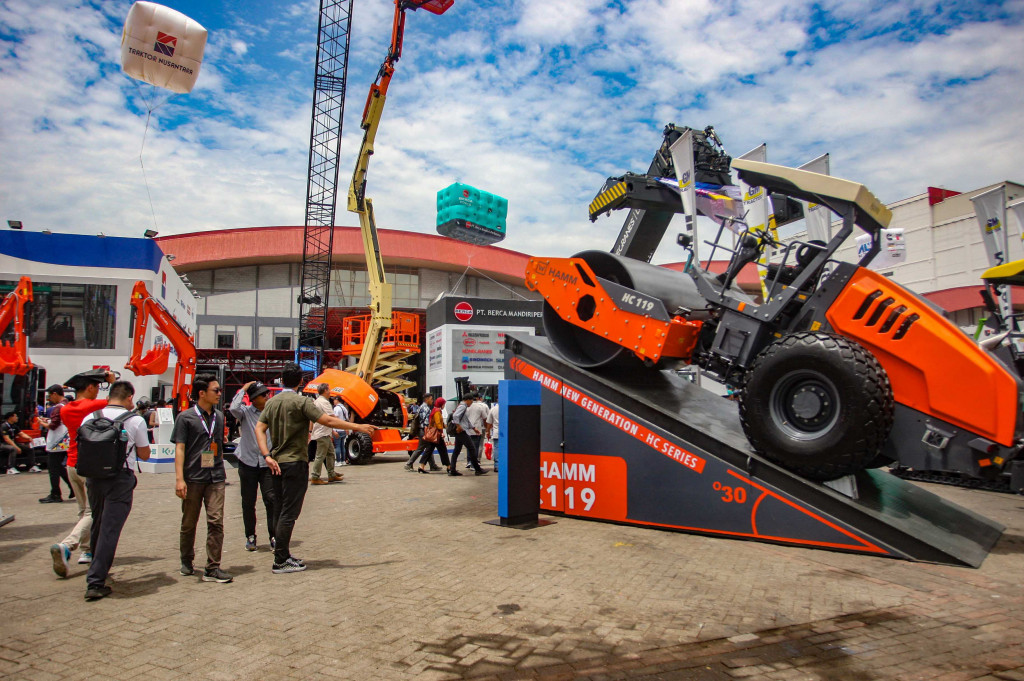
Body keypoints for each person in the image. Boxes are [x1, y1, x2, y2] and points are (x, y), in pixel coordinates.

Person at [255, 362, 375, 574]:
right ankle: (280, 560)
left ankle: (282, 553)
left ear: (282, 380)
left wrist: (266, 455)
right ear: (301, 381)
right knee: (289, 513)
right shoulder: (301, 402)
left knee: (279, 510)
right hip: (294, 463)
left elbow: (259, 428)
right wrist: (358, 426)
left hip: (276, 463)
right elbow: (327, 420)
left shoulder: (272, 403)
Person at [79, 380, 151, 600]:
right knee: (110, 529)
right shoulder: (135, 420)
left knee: (98, 524)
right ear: (130, 398)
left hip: (93, 477)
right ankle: (96, 581)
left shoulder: (91, 417)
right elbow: (145, 454)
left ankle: (97, 569)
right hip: (120, 478)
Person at [48, 369, 116, 577]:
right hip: (89, 465)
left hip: (71, 463)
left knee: (82, 510)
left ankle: (87, 551)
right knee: (93, 512)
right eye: (96, 387)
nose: (98, 391)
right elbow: (117, 401)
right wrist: (111, 382)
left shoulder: (67, 409)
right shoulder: (92, 406)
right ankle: (68, 545)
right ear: (89, 387)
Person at [173, 374, 233, 584]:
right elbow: (180, 448)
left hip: (215, 476)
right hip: (193, 477)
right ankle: (186, 560)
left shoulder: (219, 416)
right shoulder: (185, 417)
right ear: (202, 393)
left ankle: (213, 567)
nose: (219, 394)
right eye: (215, 390)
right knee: (189, 522)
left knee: (215, 521)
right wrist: (180, 479)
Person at [229, 381, 279, 552]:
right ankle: (250, 535)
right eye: (263, 394)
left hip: (267, 463)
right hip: (247, 462)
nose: (267, 396)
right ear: (253, 398)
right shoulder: (245, 412)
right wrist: (243, 388)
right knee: (248, 501)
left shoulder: (272, 412)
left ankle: (274, 535)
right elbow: (232, 407)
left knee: (271, 500)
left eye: (267, 393)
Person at [38, 385, 72, 503]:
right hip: (65, 441)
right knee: (59, 467)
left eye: (50, 396)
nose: (49, 399)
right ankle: (72, 488)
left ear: (55, 394)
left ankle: (55, 494)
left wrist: (42, 423)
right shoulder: (67, 404)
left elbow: (54, 425)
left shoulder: (57, 407)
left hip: (56, 442)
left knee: (53, 468)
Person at [309, 384, 343, 485]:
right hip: (322, 432)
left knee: (330, 454)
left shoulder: (317, 401)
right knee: (320, 455)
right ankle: (315, 476)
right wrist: (347, 425)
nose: (330, 391)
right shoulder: (324, 402)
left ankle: (331, 474)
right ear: (325, 390)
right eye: (329, 389)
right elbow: (331, 418)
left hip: (324, 432)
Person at [449, 395, 486, 476]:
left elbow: (465, 419)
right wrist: (458, 426)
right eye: (471, 401)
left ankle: (452, 469)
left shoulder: (462, 406)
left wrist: (473, 428)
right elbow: (455, 416)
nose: (472, 403)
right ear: (468, 400)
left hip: (461, 431)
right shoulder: (462, 406)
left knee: (457, 450)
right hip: (461, 431)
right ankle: (477, 468)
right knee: (472, 448)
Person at [415, 396, 450, 474]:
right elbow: (438, 423)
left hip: (433, 434)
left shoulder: (434, 410)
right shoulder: (437, 411)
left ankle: (421, 466)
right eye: (444, 404)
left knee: (429, 450)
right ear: (441, 404)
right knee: (443, 450)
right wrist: (441, 432)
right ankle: (449, 467)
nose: (444, 405)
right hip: (437, 434)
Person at [404, 394, 438, 471]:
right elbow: (426, 422)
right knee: (421, 448)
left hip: (421, 430)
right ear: (427, 399)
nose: (432, 401)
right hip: (424, 430)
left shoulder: (421, 407)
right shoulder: (426, 408)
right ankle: (408, 464)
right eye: (431, 399)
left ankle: (433, 465)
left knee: (428, 447)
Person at [466, 393, 490, 468]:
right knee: (477, 446)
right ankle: (476, 462)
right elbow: (485, 418)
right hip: (478, 428)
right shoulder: (481, 406)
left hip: (467, 428)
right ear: (478, 398)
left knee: (469, 446)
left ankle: (469, 461)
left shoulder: (466, 407)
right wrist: (487, 429)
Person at [332, 396, 350, 465]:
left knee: (337, 446)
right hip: (343, 429)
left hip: (337, 429)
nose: (333, 401)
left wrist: (333, 429)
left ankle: (338, 461)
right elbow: (346, 419)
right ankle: (343, 460)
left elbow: (335, 419)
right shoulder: (344, 408)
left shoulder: (336, 408)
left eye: (334, 400)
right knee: (342, 445)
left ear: (337, 400)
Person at [487, 399, 499, 473]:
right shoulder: (507, 407)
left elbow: (489, 422)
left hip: (496, 431)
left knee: (497, 448)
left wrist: (487, 431)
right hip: (507, 432)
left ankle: (497, 466)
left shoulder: (493, 409)